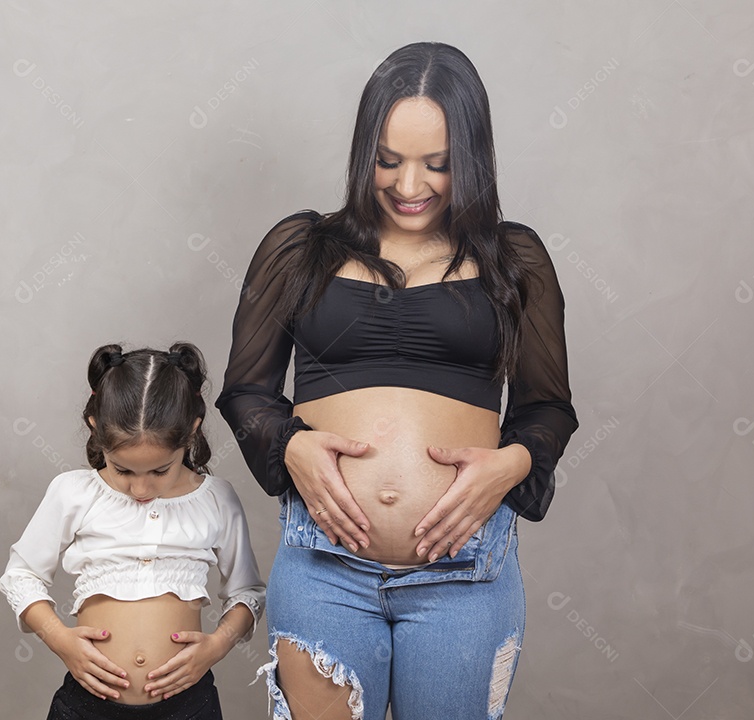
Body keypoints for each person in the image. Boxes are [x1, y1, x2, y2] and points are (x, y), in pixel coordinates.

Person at [215, 42, 578, 720]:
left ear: (473, 158)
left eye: (438, 164)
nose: (410, 186)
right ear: (364, 153)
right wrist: (291, 445)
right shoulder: (300, 249)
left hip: (466, 571)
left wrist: (510, 466)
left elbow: (548, 408)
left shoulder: (515, 260)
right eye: (389, 160)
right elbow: (246, 393)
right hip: (323, 565)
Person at [0, 342, 266, 720]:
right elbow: (21, 575)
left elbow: (247, 593)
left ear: (192, 432)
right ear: (96, 429)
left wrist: (216, 646)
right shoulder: (73, 492)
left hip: (189, 706)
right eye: (123, 470)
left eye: (159, 470)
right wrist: (60, 640)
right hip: (87, 706)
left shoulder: (217, 499)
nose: (141, 489)